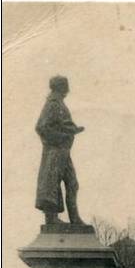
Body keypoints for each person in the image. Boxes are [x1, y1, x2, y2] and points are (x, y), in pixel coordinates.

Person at [35, 75, 86, 225]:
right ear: (61, 87)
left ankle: (74, 218)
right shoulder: (52, 104)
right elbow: (41, 127)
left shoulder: (58, 103)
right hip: (55, 152)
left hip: (63, 151)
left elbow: (61, 124)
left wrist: (72, 130)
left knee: (72, 184)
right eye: (66, 85)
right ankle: (51, 219)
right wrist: (62, 137)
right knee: (52, 184)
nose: (68, 89)